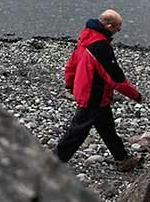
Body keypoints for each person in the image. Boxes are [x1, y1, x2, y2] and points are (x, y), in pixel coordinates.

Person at [55, 9, 143, 169]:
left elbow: (72, 63)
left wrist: (69, 84)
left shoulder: (86, 37)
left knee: (107, 128)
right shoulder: (101, 47)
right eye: (118, 26)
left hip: (91, 93)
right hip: (93, 96)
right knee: (77, 132)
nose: (120, 29)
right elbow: (116, 78)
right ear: (109, 25)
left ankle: (122, 159)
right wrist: (136, 96)